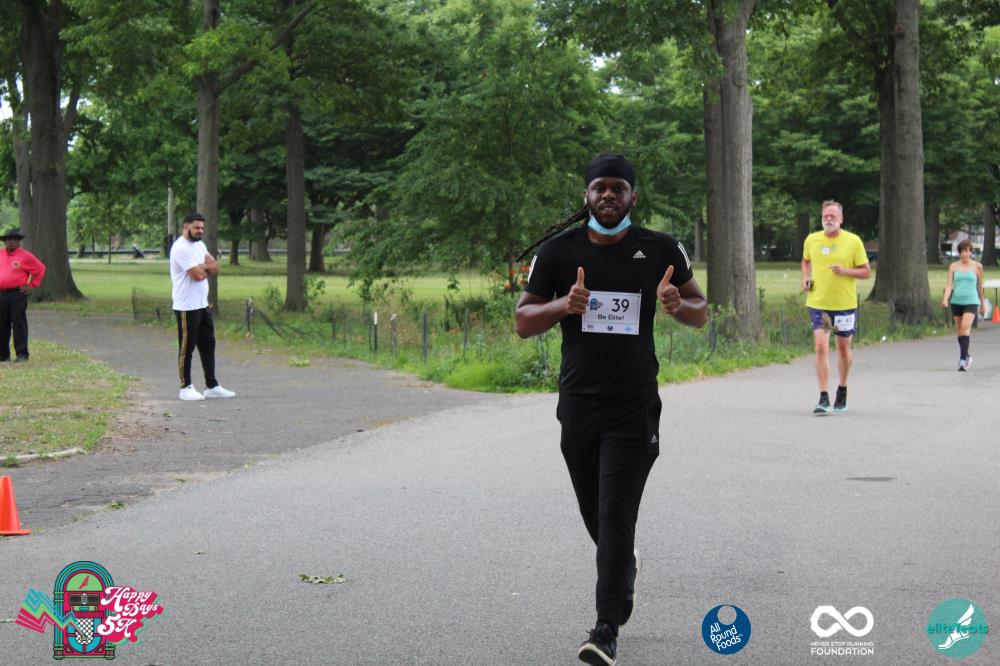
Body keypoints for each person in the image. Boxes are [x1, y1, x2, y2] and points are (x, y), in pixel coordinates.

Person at [515, 155, 707, 665]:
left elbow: (700, 311)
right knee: (595, 512)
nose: (608, 195)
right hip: (579, 402)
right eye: (599, 187)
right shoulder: (558, 251)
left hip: (633, 403)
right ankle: (624, 570)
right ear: (586, 195)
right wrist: (564, 305)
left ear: (632, 197)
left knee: (616, 511)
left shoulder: (661, 249)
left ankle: (605, 629)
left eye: (618, 188)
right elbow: (523, 321)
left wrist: (677, 306)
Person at [801, 200, 871, 414]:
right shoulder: (812, 239)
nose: (828, 219)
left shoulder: (853, 241)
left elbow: (866, 272)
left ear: (841, 219)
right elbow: (806, 260)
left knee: (843, 348)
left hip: (844, 305)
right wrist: (806, 277)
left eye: (833, 216)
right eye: (825, 216)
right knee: (821, 347)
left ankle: (842, 388)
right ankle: (823, 397)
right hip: (819, 304)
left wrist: (845, 271)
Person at [169, 213, 235, 401]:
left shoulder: (200, 245)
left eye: (202, 228)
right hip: (186, 306)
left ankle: (211, 386)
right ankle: (185, 387)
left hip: (202, 304)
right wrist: (204, 268)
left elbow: (215, 267)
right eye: (196, 228)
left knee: (208, 344)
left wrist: (202, 267)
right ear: (186, 227)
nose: (200, 231)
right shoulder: (180, 248)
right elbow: (198, 276)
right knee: (187, 347)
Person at [0, 227, 46, 363]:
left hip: (17, 294)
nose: (11, 242)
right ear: (5, 241)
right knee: (2, 324)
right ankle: (3, 354)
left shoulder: (25, 256)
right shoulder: (1, 254)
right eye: (9, 239)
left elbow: (40, 269)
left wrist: (32, 284)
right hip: (1, 294)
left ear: (18, 241)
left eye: (14, 239)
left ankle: (22, 354)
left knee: (18, 323)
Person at [941, 239, 986, 371]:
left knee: (965, 328)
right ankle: (967, 356)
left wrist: (983, 304)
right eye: (961, 251)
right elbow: (949, 285)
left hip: (971, 301)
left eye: (966, 251)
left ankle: (962, 361)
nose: (964, 254)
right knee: (960, 332)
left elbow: (980, 287)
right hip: (956, 302)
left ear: (971, 252)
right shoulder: (953, 266)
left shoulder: (977, 266)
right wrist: (945, 299)